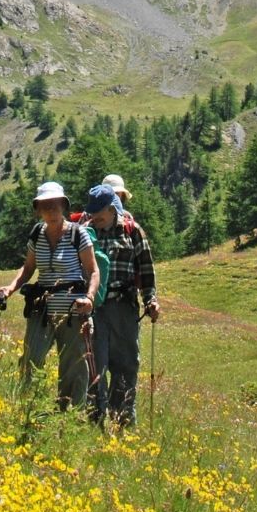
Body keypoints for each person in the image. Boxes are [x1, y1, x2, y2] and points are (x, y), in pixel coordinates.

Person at [0, 182, 99, 410]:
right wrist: (9, 289)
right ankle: (25, 407)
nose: (51, 209)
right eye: (45, 205)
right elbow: (28, 269)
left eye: (55, 204)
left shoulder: (77, 234)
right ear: (38, 209)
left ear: (63, 205)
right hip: (41, 309)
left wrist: (89, 298)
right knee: (32, 358)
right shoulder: (36, 234)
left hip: (73, 311)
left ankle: (68, 415)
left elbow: (93, 270)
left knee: (73, 365)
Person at [82, 179, 160, 427]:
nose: (95, 219)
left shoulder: (132, 230)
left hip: (124, 308)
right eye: (92, 214)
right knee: (94, 363)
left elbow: (146, 269)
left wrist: (151, 300)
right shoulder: (85, 231)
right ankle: (95, 419)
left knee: (125, 364)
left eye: (99, 215)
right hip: (94, 309)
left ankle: (123, 420)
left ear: (112, 209)